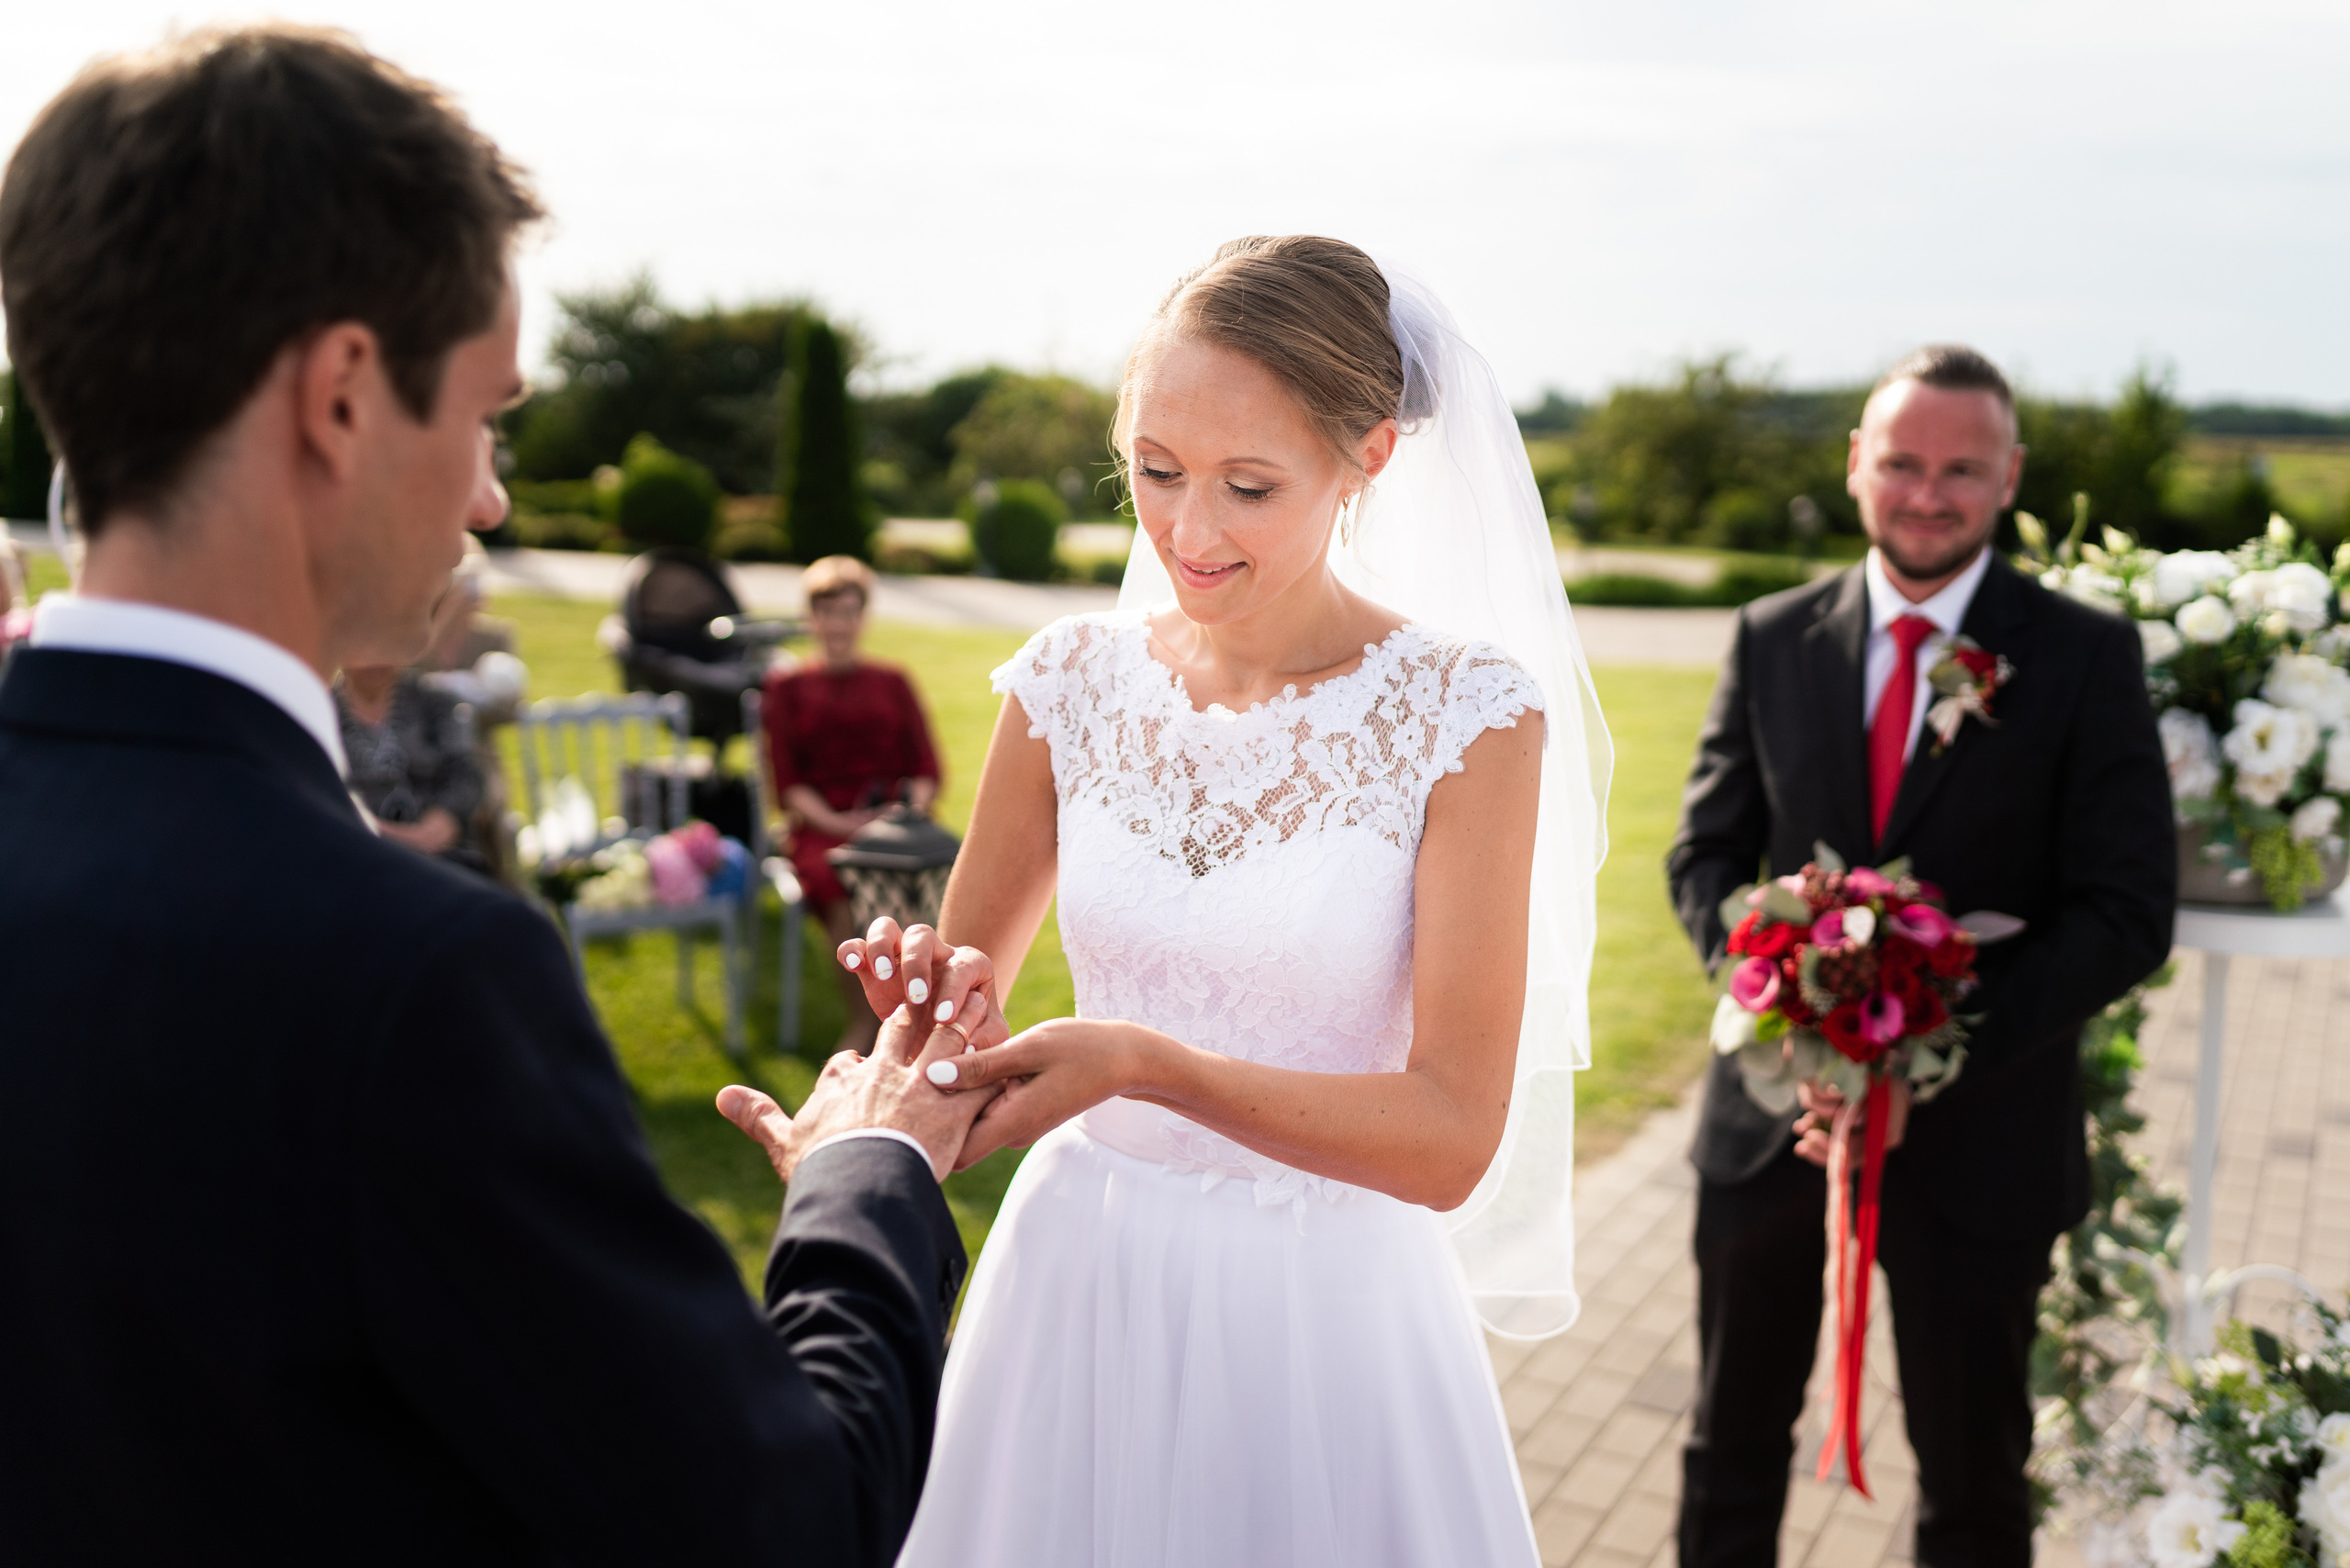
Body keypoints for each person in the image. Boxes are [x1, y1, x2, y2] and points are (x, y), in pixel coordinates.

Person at [0, 28, 1007, 1562]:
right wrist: (871, 1170)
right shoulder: (406, 974)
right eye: (484, 414)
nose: (488, 497)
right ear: (341, 395)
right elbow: (775, 1518)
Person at [843, 237, 1612, 1567]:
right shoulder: (1067, 683)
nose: (1189, 533)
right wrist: (929, 1013)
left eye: (1248, 485)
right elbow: (962, 1020)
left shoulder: (1466, 714)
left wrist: (1144, 1062)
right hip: (1079, 1283)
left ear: (1368, 457)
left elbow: (1447, 1138)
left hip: (1322, 1318)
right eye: (1154, 471)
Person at [1665, 346, 2176, 1568]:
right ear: (1857, 467)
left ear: (2009, 479)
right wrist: (1795, 1028)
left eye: (1962, 468)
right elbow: (1703, 861)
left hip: (1982, 1144)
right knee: (1729, 1451)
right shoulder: (1771, 636)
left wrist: (1923, 1053)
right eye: (1902, 462)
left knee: (1974, 1483)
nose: (1927, 493)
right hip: (1775, 1128)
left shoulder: (2082, 657)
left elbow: (2126, 911)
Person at [761, 554, 942, 1052]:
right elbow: (788, 781)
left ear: (863, 616)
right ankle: (869, 1019)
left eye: (848, 611)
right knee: (838, 879)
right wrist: (840, 821)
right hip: (825, 826)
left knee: (936, 872)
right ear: (811, 617)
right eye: (827, 611)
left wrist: (908, 814)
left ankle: (929, 1012)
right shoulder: (786, 688)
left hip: (896, 820)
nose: (838, 623)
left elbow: (924, 766)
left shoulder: (892, 681)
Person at [339, 551, 495, 874]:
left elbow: (465, 774)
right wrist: (395, 837)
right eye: (364, 646)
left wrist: (440, 824)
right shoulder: (324, 712)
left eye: (388, 645)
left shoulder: (432, 702)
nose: (376, 659)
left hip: (441, 858)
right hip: (356, 858)